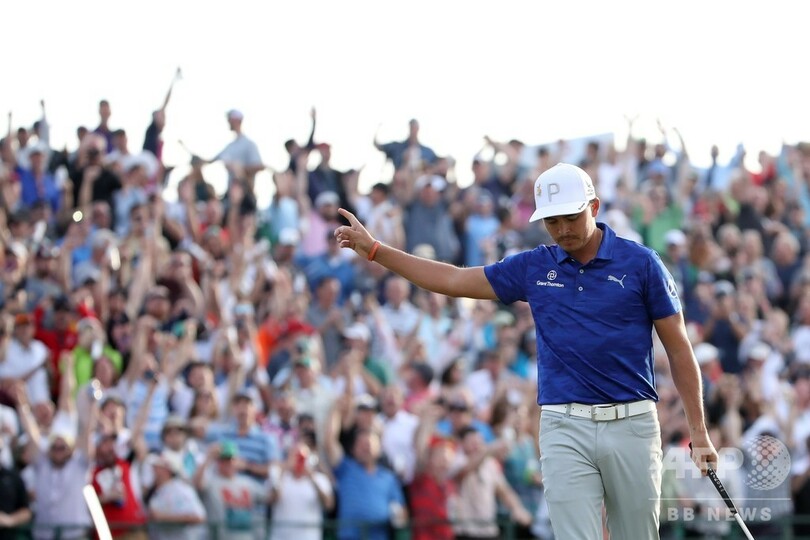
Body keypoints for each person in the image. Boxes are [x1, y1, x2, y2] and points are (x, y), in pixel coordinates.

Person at [334, 162, 718, 539]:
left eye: (571, 217)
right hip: (563, 425)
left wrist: (698, 433)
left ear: (594, 207)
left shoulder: (642, 263)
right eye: (552, 221)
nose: (562, 230)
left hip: (632, 422)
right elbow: (453, 279)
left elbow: (679, 349)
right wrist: (376, 250)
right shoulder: (535, 266)